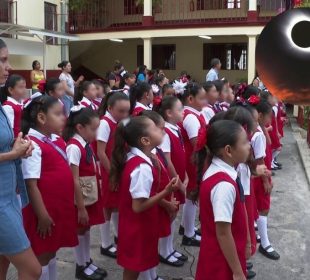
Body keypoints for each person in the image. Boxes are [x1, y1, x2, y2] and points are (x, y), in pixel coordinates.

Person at [109, 116, 179, 280]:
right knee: (133, 270)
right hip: (137, 228)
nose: (160, 130)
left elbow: (146, 192)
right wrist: (166, 191)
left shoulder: (138, 159)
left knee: (135, 267)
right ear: (146, 141)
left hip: (136, 225)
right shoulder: (142, 167)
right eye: (155, 128)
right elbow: (138, 206)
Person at [21, 95, 78, 280]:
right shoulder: (33, 145)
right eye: (59, 114)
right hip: (43, 211)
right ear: (41, 118)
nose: (64, 117)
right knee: (42, 255)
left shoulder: (53, 139)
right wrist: (42, 215)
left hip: (57, 208)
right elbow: (31, 184)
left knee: (52, 251)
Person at [0, 38, 41, 280]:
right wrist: (13, 154)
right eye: (3, 60)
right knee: (32, 269)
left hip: (8, 193)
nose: (9, 67)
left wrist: (17, 147)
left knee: (3, 261)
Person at [195, 120, 250, 280]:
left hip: (225, 252)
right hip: (221, 259)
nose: (249, 145)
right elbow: (223, 233)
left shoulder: (223, 172)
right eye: (245, 142)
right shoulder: (223, 186)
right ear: (228, 150)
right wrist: (238, 272)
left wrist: (246, 242)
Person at [64, 107, 107, 280]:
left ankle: (87, 260)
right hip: (81, 198)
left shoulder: (85, 144)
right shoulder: (74, 147)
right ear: (80, 128)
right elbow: (73, 179)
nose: (96, 133)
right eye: (93, 129)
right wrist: (80, 207)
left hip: (90, 195)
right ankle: (80, 265)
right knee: (80, 229)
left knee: (86, 228)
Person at [154, 97, 189, 266]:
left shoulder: (175, 129)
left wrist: (185, 176)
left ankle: (169, 248)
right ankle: (163, 250)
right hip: (171, 181)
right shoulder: (166, 133)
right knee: (170, 214)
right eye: (180, 109)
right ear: (168, 113)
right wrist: (179, 182)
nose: (183, 112)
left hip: (177, 179)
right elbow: (167, 161)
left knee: (174, 214)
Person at [97, 92, 130, 259]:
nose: (124, 115)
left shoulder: (118, 122)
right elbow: (101, 152)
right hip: (109, 170)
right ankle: (105, 243)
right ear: (110, 108)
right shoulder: (105, 123)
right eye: (121, 111)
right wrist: (111, 174)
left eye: (127, 111)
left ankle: (118, 236)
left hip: (117, 169)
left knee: (116, 204)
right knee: (107, 207)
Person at [250, 98, 280, 260]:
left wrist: (264, 127)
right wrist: (266, 180)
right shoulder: (258, 135)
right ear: (260, 116)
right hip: (260, 175)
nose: (270, 120)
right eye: (268, 116)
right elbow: (260, 159)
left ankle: (260, 238)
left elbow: (268, 143)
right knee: (264, 208)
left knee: (259, 207)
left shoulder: (259, 131)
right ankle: (265, 244)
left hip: (258, 174)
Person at [178, 83, 207, 246]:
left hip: (194, 159)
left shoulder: (194, 114)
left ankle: (186, 227)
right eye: (201, 98)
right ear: (190, 99)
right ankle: (188, 234)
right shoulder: (190, 117)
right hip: (193, 160)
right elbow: (197, 143)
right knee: (192, 196)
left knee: (192, 196)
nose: (204, 101)